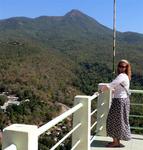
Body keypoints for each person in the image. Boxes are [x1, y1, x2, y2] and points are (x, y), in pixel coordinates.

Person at [100, 59, 132, 147]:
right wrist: (114, 90)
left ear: (126, 68)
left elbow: (111, 84)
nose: (121, 68)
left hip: (119, 102)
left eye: (124, 67)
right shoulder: (125, 76)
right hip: (121, 100)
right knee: (118, 121)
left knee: (115, 121)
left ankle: (116, 142)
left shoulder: (122, 76)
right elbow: (117, 86)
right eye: (120, 66)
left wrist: (101, 90)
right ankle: (116, 141)